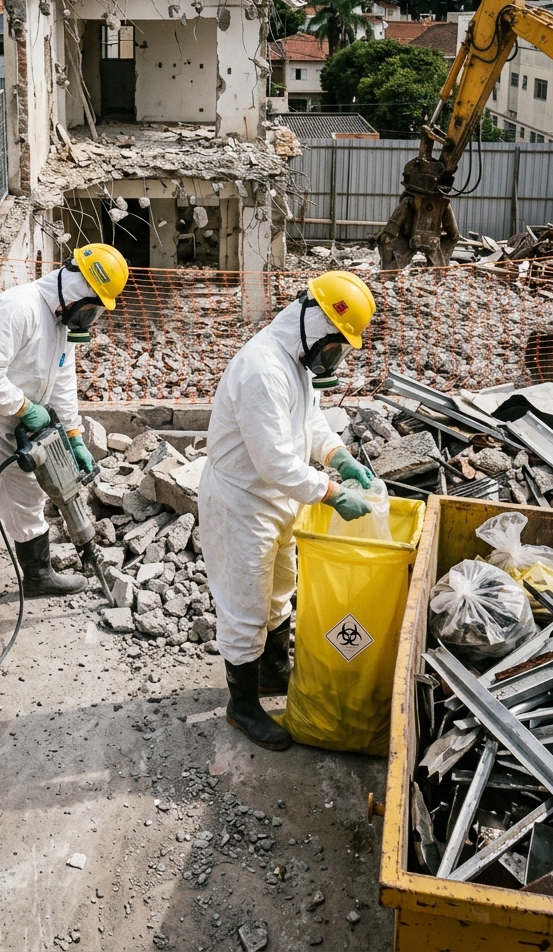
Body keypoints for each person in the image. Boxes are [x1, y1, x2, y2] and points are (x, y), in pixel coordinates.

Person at [198, 271, 377, 750]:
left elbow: (310, 419)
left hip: (276, 498)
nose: (335, 358)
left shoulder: (298, 357)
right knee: (244, 606)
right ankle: (242, 707)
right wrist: (332, 492)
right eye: (336, 346)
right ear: (317, 324)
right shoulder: (262, 367)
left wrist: (338, 456)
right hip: (242, 502)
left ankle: (272, 675)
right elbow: (275, 460)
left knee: (280, 590)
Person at [0, 243, 129, 660]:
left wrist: (76, 436)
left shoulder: (61, 321)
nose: (93, 320)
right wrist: (27, 409)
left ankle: (38, 575)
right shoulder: (18, 308)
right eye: (95, 309)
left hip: (20, 426)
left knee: (29, 502)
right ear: (78, 288)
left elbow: (63, 379)